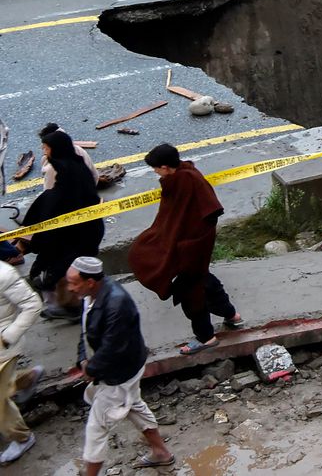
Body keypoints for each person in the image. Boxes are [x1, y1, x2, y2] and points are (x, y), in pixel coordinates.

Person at [127, 144, 241, 355]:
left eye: (156, 168)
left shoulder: (187, 181)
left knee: (191, 292)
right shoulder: (181, 176)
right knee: (204, 280)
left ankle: (206, 337)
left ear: (166, 166)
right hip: (191, 246)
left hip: (191, 247)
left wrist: (187, 245)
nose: (155, 173)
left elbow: (209, 212)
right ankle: (231, 315)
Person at [66, 257, 174, 474]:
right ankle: (161, 452)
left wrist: (92, 369)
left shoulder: (116, 304)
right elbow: (85, 331)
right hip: (123, 367)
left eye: (73, 283)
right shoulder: (91, 296)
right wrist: (82, 359)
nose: (70, 288)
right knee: (134, 405)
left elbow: (113, 348)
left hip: (119, 373)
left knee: (96, 429)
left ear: (90, 282)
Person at [17, 127, 103, 321]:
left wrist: (34, 240)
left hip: (71, 238)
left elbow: (52, 210)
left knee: (55, 274)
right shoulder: (77, 166)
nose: (44, 152)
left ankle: (72, 308)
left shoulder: (57, 173)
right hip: (85, 232)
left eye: (46, 149)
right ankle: (71, 306)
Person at [0, 254, 41, 465]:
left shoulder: (4, 274)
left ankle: (22, 437)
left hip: (3, 349)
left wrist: (8, 336)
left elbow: (32, 304)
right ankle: (26, 380)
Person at [37, 122, 97, 190]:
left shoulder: (52, 168)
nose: (42, 148)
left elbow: (48, 192)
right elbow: (95, 176)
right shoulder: (79, 149)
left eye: (46, 147)